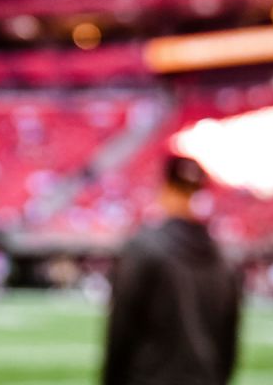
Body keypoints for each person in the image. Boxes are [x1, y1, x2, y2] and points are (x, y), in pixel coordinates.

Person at [102, 155, 241, 385]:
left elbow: (121, 333)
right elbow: (228, 346)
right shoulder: (223, 261)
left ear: (165, 188)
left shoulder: (144, 249)